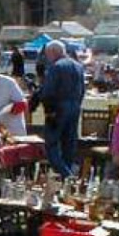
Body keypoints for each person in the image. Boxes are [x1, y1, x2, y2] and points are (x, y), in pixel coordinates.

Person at [37, 41, 85, 178]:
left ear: (52, 53)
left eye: (47, 55)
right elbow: (82, 90)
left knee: (51, 145)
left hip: (58, 108)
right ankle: (66, 183)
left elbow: (48, 92)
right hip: (75, 107)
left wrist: (49, 111)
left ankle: (67, 176)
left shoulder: (56, 67)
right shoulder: (78, 66)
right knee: (69, 146)